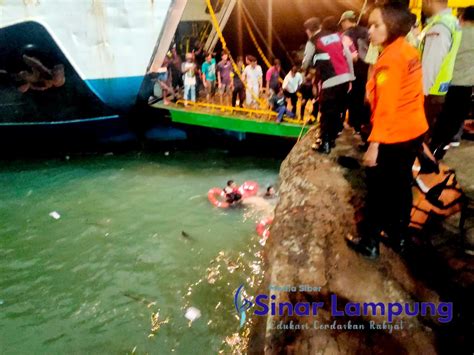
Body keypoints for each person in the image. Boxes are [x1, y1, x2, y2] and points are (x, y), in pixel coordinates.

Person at [345, 3, 429, 259]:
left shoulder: (389, 61)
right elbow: (414, 94)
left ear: (391, 26)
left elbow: (386, 108)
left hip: (394, 135)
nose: (369, 30)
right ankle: (398, 235)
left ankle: (369, 241)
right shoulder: (408, 51)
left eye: (376, 25)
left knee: (378, 189)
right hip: (412, 129)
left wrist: (374, 145)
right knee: (401, 186)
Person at [429, 6, 474, 159]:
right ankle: (439, 150)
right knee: (453, 122)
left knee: (439, 120)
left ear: (462, 17)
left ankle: (429, 151)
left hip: (446, 84)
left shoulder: (456, 32)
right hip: (466, 86)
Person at [308, 16, 355, 154]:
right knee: (338, 109)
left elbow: (318, 65)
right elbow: (352, 57)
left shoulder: (320, 41)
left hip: (330, 81)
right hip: (345, 79)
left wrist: (315, 81)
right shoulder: (343, 38)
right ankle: (333, 138)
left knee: (327, 110)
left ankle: (325, 143)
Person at [419, 0, 462, 138]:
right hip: (438, 88)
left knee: (419, 137)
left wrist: (419, 95)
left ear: (429, 2)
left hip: (428, 93)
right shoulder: (452, 21)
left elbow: (431, 64)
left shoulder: (440, 26)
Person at [339, 10, 371, 134]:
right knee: (363, 97)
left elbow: (345, 55)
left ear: (347, 21)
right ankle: (363, 126)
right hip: (367, 70)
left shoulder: (346, 35)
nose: (342, 25)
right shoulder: (367, 32)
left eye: (342, 22)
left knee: (351, 98)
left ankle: (353, 124)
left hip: (352, 71)